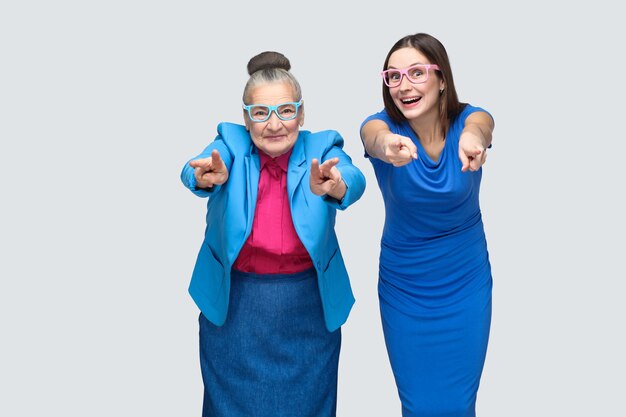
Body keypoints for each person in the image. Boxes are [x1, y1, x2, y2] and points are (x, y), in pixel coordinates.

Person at [180, 51, 366, 417]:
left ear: (301, 113)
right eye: (261, 113)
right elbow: (198, 166)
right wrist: (200, 177)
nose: (275, 124)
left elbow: (353, 178)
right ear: (246, 120)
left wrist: (337, 185)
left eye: (286, 110)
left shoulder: (321, 147)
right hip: (236, 306)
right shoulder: (230, 144)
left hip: (308, 307)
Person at [360, 33, 495, 417]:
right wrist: (385, 146)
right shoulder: (380, 126)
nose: (404, 85)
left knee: (459, 403)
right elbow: (372, 138)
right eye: (394, 76)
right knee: (419, 405)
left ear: (442, 79)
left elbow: (482, 125)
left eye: (416, 73)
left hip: (465, 283)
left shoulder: (470, 121)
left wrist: (473, 137)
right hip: (406, 288)